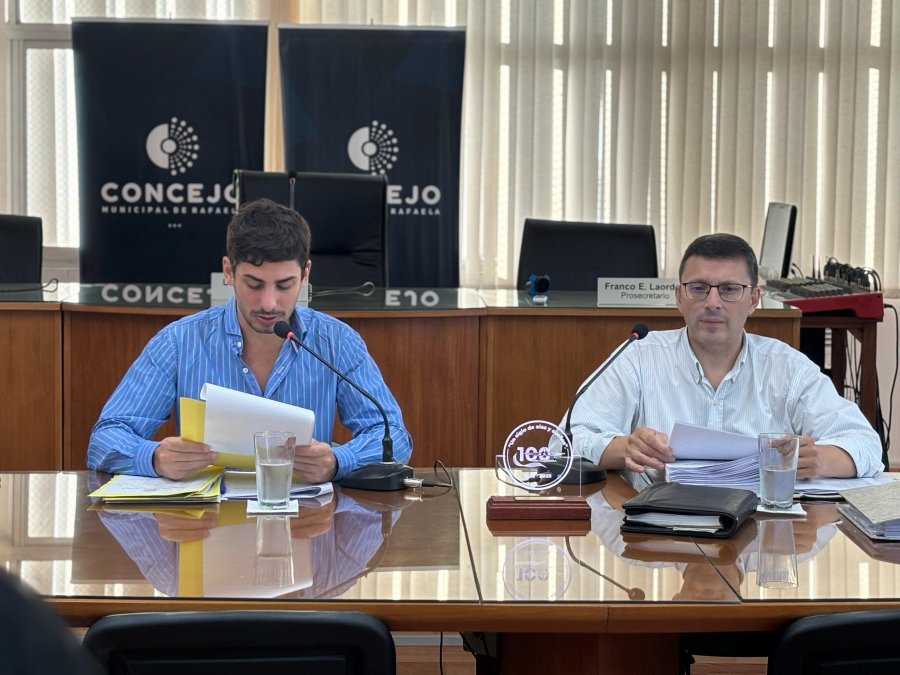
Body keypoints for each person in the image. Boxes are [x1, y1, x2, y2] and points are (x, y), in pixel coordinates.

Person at [87, 198, 412, 482]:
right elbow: (105, 440)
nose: (269, 303)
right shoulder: (178, 342)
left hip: (304, 526)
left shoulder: (337, 342)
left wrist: (340, 461)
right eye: (254, 284)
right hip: (204, 528)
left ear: (305, 274)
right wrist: (154, 457)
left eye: (284, 285)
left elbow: (393, 437)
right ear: (228, 271)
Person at [567, 232, 882, 480]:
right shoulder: (638, 358)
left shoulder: (788, 368)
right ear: (679, 297)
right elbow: (567, 442)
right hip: (659, 532)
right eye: (699, 288)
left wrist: (821, 460)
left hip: (759, 533)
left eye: (730, 289)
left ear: (753, 299)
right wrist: (624, 449)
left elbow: (866, 445)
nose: (713, 302)